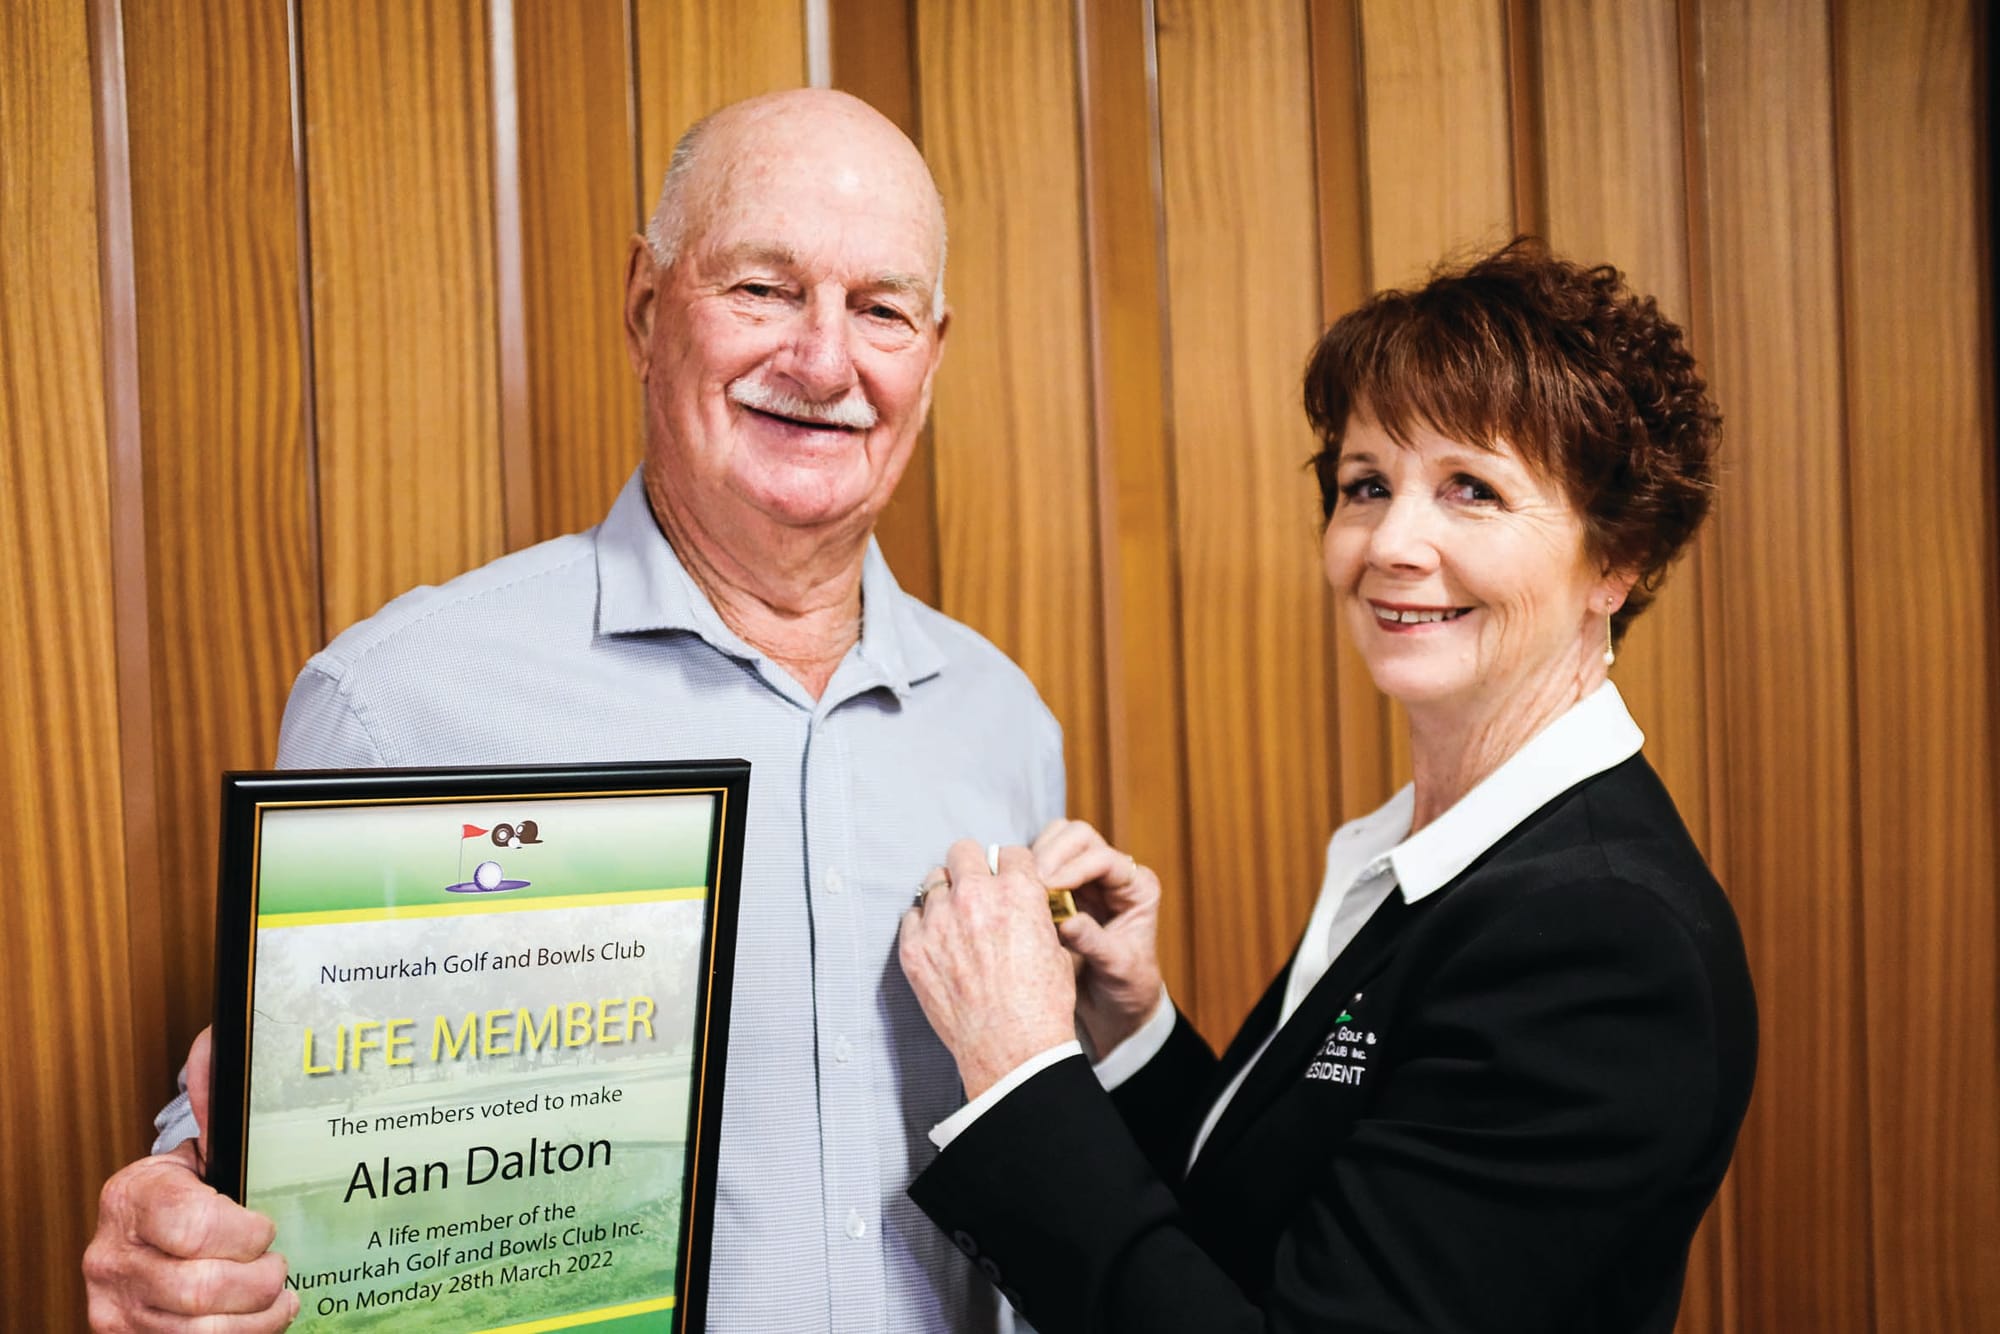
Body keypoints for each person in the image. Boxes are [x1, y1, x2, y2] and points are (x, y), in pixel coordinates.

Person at [83, 88, 1063, 1334]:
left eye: (880, 308)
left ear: (932, 349)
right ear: (648, 303)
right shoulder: (405, 701)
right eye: (761, 288)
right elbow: (277, 1133)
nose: (823, 360)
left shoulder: (1005, 726)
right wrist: (174, 1219)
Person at [897, 238, 1757, 1334]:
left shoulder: (1601, 939)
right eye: (1364, 485)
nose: (1392, 542)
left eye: (1470, 490)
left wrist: (1015, 1063)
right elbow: (1279, 1236)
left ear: (1615, 559)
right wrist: (1131, 1032)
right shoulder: (1435, 854)